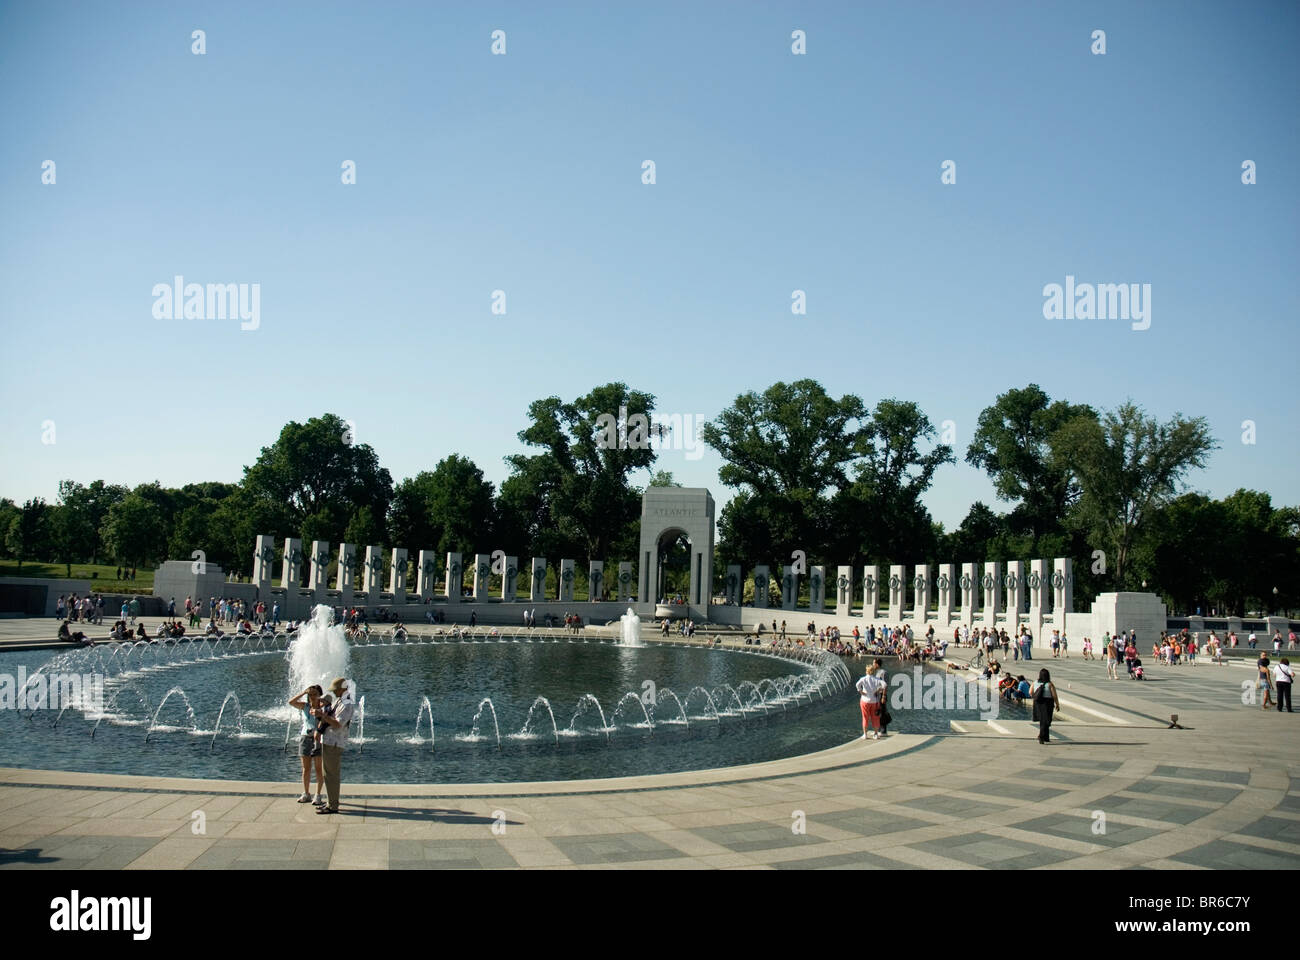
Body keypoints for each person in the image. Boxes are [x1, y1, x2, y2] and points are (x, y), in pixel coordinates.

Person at [314, 677, 355, 814]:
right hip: (329, 740)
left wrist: (323, 716)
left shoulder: (347, 704)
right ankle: (331, 802)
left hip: (335, 742)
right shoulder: (340, 701)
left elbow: (338, 724)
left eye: (336, 690)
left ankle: (333, 805)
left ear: (343, 689)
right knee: (328, 774)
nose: (334, 692)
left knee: (331, 774)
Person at [288, 684, 326, 804]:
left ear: (320, 695)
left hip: (318, 739)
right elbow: (291, 702)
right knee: (306, 768)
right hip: (305, 737)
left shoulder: (323, 707)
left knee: (319, 768)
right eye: (310, 694)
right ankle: (306, 793)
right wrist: (303, 693)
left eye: (315, 694)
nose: (312, 697)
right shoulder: (305, 706)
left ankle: (318, 795)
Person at [855, 664, 887, 741]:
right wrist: (879, 690)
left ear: (866, 671)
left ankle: (865, 734)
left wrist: (861, 691)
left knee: (865, 717)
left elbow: (857, 685)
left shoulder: (863, 679)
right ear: (873, 671)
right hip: (874, 701)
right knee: (875, 718)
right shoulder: (877, 679)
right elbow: (885, 685)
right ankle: (876, 734)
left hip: (865, 700)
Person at [1030, 668, 1060, 743]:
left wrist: (1035, 697)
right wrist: (1057, 704)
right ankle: (1041, 736)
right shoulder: (1050, 684)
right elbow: (1054, 695)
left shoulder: (1035, 682)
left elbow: (1030, 692)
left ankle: (1046, 737)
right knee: (1046, 720)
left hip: (1038, 703)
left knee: (1042, 720)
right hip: (1047, 703)